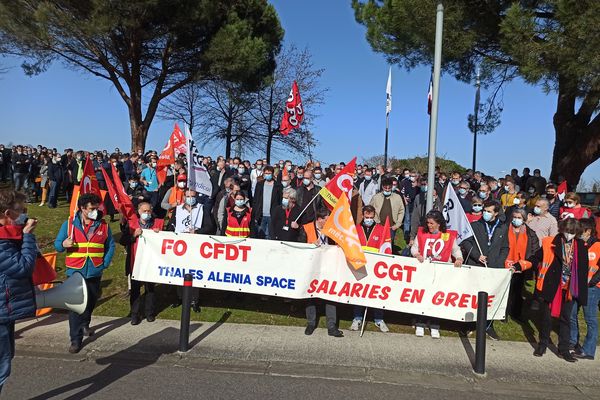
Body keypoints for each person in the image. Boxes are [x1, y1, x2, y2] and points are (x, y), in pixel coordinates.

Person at [519, 218, 588, 361]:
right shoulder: (550, 241)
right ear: (562, 229)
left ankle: (564, 349)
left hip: (569, 287)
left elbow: (583, 269)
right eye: (567, 231)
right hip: (552, 285)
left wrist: (581, 291)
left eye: (573, 232)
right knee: (546, 318)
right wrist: (521, 265)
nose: (569, 235)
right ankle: (542, 344)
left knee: (566, 319)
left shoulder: (581, 245)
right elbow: (535, 258)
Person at [54, 193, 116, 354]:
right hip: (75, 271)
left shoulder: (103, 225)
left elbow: (111, 245)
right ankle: (75, 339)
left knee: (91, 301)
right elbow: (58, 245)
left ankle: (85, 324)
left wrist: (105, 262)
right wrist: (63, 244)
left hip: (95, 271)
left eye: (97, 208)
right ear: (82, 208)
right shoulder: (69, 224)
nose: (96, 211)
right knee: (75, 307)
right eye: (92, 208)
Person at [0, 190, 38, 394]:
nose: (25, 213)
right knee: (1, 367)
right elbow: (22, 268)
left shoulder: (7, 237)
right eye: (21, 210)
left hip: (5, 309)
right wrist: (28, 237)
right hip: (1, 311)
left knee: (5, 359)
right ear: (7, 213)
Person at [411, 210, 463, 338]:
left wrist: (459, 258)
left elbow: (455, 249)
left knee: (437, 297)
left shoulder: (448, 236)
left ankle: (434, 324)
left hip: (441, 272)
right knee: (422, 296)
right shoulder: (422, 233)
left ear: (439, 223)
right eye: (428, 223)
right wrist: (416, 254)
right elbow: (414, 247)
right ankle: (420, 322)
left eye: (432, 223)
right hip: (424, 270)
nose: (429, 225)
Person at [461, 200, 508, 340]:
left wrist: (498, 263)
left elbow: (505, 248)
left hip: (493, 268)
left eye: (489, 211)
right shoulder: (475, 225)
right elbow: (466, 242)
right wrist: (476, 255)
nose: (485, 213)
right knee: (473, 296)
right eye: (484, 210)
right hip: (476, 265)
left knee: (490, 298)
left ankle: (488, 326)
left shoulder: (502, 228)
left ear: (496, 213)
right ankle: (468, 324)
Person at [301, 208, 344, 338]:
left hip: (328, 267)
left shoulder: (332, 230)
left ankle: (331, 326)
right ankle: (311, 323)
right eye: (327, 219)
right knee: (311, 294)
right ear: (319, 220)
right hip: (312, 267)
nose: (329, 222)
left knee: (330, 294)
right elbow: (299, 246)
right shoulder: (306, 228)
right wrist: (310, 245)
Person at [167, 190, 212, 311]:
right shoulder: (178, 209)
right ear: (184, 197)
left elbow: (209, 226)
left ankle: (194, 300)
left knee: (194, 273)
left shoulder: (202, 209)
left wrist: (197, 232)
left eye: (192, 196)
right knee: (179, 272)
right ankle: (180, 297)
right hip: (180, 246)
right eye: (187, 196)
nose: (190, 198)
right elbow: (171, 225)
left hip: (195, 246)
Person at [119, 202, 164, 325]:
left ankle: (149, 313)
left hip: (150, 262)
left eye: (149, 211)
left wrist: (159, 235)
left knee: (150, 289)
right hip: (135, 262)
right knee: (135, 290)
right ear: (138, 212)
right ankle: (135, 315)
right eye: (144, 211)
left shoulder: (158, 224)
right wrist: (133, 235)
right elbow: (123, 241)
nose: (147, 213)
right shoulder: (132, 225)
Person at [350, 205, 390, 333]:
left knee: (376, 292)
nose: (368, 219)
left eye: (371, 217)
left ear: (374, 216)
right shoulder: (356, 229)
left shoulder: (381, 230)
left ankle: (379, 318)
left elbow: (385, 248)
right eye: (366, 217)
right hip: (360, 266)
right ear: (362, 216)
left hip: (376, 267)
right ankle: (357, 317)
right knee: (359, 291)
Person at [568, 218, 600, 360]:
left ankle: (588, 350)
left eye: (580, 231)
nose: (577, 233)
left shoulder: (598, 245)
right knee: (571, 314)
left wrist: (593, 281)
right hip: (577, 285)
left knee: (590, 318)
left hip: (592, 288)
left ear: (588, 231)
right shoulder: (578, 244)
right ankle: (573, 341)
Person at [503, 208, 540, 322]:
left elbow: (534, 251)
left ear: (524, 220)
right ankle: (503, 313)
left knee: (517, 291)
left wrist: (526, 264)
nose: (516, 220)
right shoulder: (504, 229)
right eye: (514, 217)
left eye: (519, 218)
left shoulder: (531, 233)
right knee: (504, 291)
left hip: (521, 266)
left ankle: (515, 312)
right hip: (505, 265)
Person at [370, 177, 405, 243]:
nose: (387, 190)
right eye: (385, 188)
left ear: (392, 187)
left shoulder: (397, 197)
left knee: (389, 244)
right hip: (378, 226)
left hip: (392, 227)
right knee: (377, 242)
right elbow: (371, 209)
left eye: (389, 188)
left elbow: (401, 211)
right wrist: (376, 221)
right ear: (382, 187)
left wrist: (397, 224)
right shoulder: (376, 197)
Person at [252, 166, 282, 240]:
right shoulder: (259, 184)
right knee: (260, 235)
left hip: (272, 215)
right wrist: (255, 214)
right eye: (266, 173)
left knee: (270, 236)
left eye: (269, 173)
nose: (267, 175)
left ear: (272, 174)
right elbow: (256, 200)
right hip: (261, 215)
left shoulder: (278, 186)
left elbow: (280, 201)